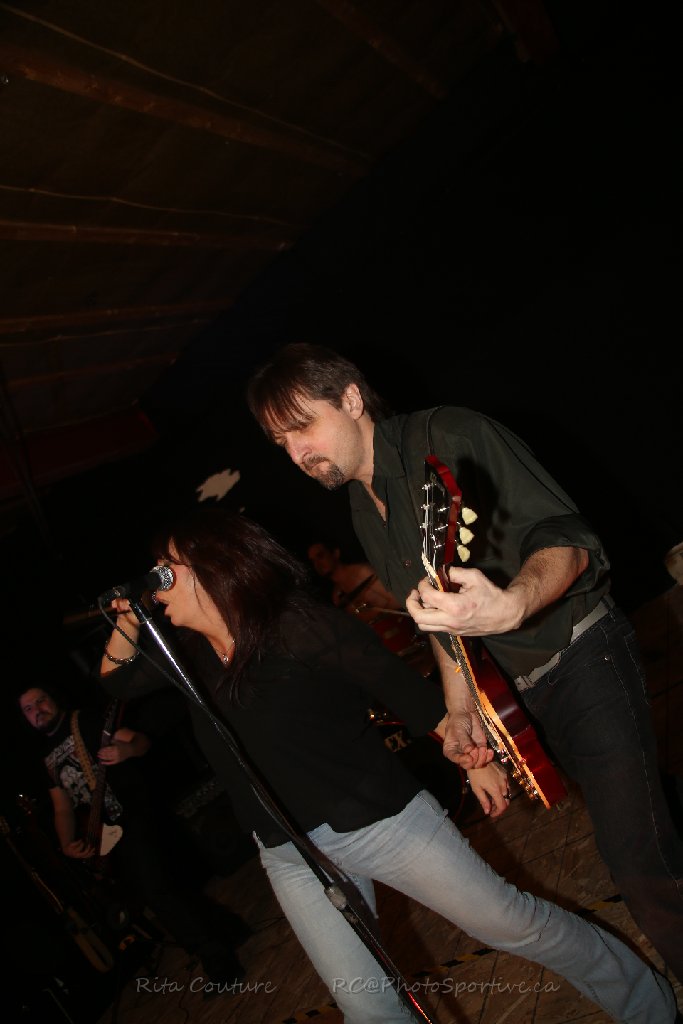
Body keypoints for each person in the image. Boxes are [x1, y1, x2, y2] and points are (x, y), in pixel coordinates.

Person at [98, 506, 676, 1023]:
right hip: (289, 854)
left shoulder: (298, 626)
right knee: (366, 1006)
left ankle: (647, 1007)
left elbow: (401, 687)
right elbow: (115, 680)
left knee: (514, 925)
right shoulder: (187, 657)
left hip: (381, 823)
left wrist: (471, 757)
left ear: (214, 566)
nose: (158, 582)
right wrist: (130, 612)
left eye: (167, 569)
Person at [246, 341, 683, 987]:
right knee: (650, 820)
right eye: (280, 443)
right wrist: (460, 713)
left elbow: (569, 540)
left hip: (582, 653)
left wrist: (514, 602)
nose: (295, 454)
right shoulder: (363, 509)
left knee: (636, 861)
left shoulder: (451, 435)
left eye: (302, 427)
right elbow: (440, 624)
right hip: (519, 692)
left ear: (351, 398)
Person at [17, 684, 248, 991]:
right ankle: (231, 929)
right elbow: (62, 808)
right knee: (161, 889)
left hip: (133, 816)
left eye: (41, 700)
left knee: (158, 892)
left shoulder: (85, 721)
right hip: (105, 836)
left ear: (52, 698)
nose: (38, 710)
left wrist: (126, 750)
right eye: (29, 708)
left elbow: (140, 741)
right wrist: (66, 844)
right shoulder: (44, 759)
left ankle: (220, 965)